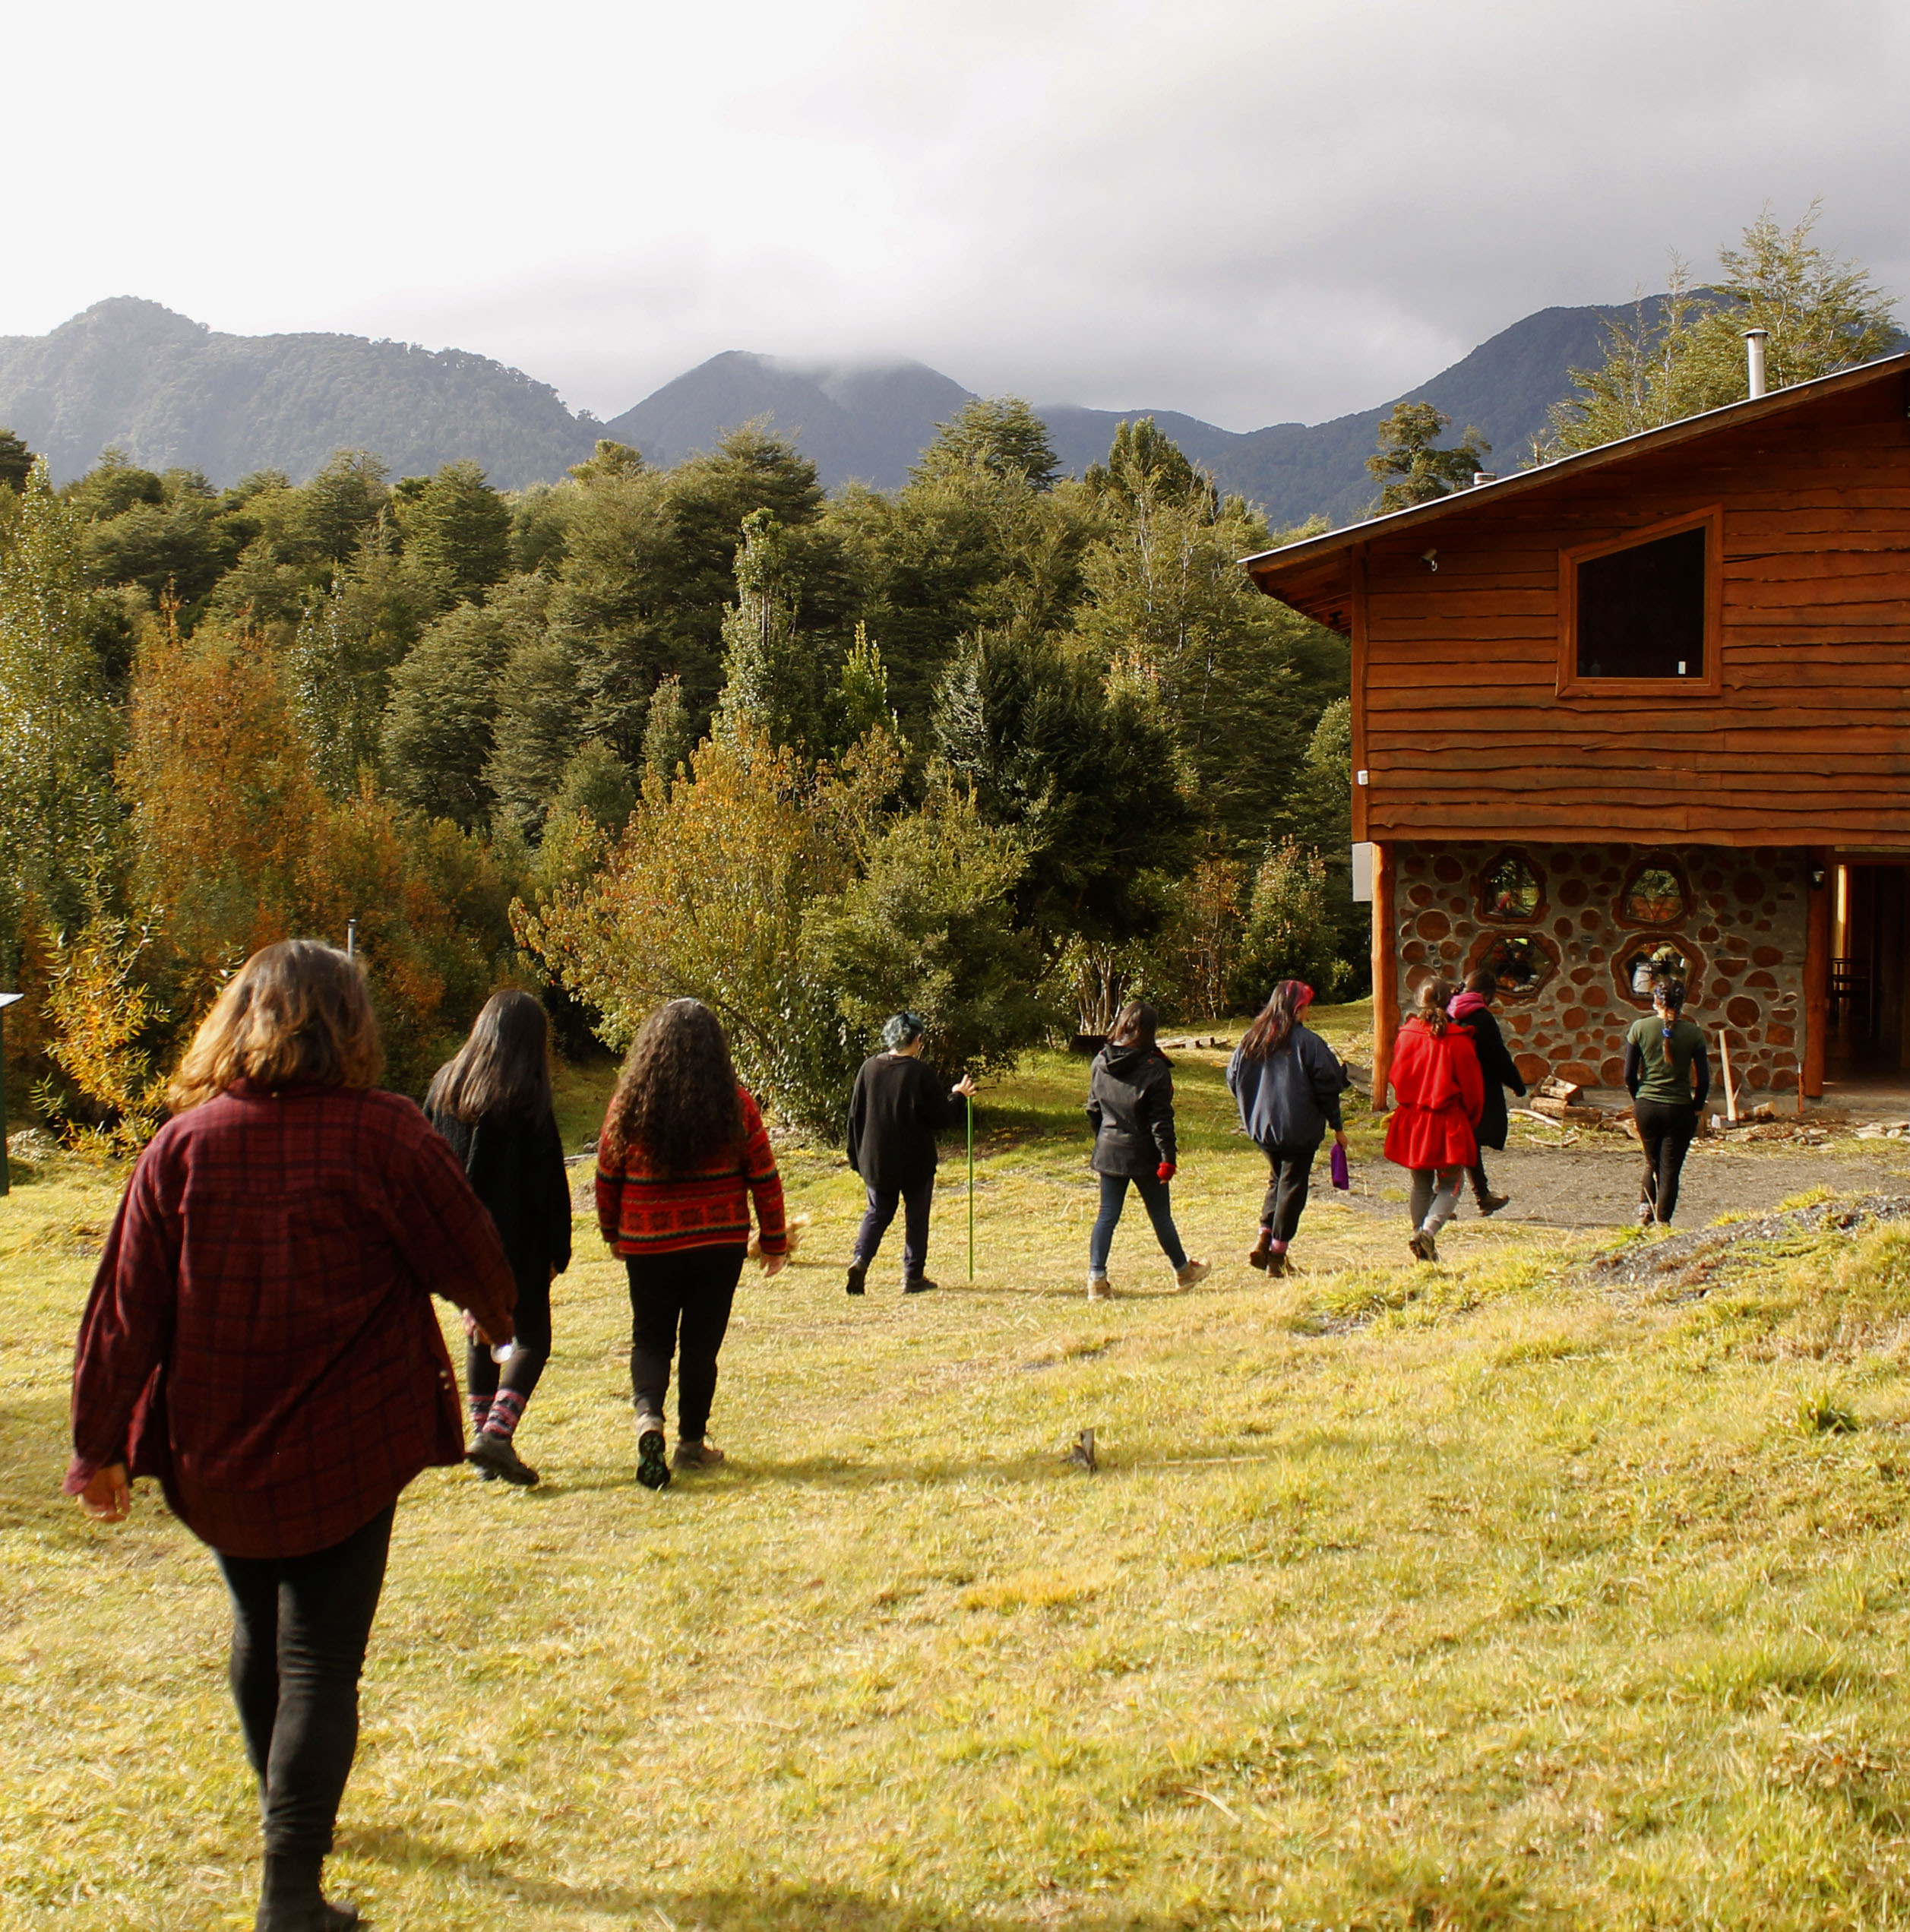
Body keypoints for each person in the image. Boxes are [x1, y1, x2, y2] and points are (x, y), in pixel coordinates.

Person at [66, 940, 515, 1932]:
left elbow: (121, 1313)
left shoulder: (180, 1146)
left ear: (240, 1018)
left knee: (258, 1630)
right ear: (351, 1023)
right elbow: (472, 1248)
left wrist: (95, 1444)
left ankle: (290, 1820)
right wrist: (494, 1309)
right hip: (350, 1446)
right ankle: (289, 1887)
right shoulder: (385, 1133)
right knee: (317, 1655)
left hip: (215, 1451)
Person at [595, 998, 787, 1489]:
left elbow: (606, 1173)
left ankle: (648, 1421)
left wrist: (612, 1231)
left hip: (648, 1241)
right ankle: (690, 1444)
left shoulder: (629, 1103)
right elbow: (764, 1174)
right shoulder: (736, 1103)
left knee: (651, 1338)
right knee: (701, 1346)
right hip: (716, 1243)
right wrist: (773, 1240)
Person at [424, 988, 572, 1488]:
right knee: (532, 1337)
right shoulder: (525, 1094)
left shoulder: (446, 1084)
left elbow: (428, 1159)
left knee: (478, 1330)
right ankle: (496, 1435)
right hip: (517, 1244)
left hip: (459, 1239)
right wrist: (557, 1248)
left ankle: (482, 1435)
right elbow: (547, 1181)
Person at [843, 1011, 977, 1296]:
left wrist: (856, 1156)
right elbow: (940, 1117)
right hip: (915, 1161)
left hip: (877, 1160)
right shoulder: (920, 1072)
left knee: (877, 1213)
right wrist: (958, 1096)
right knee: (916, 1216)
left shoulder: (868, 1068)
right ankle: (912, 1276)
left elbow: (855, 1116)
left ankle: (860, 1260)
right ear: (917, 1039)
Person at [1083, 1001, 1210, 1300]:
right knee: (1160, 1216)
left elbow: (1093, 1108)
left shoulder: (1100, 1060)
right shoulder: (1154, 1068)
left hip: (1110, 1147)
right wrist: (1168, 1158)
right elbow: (1160, 1120)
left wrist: (1103, 1138)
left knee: (1107, 1215)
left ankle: (1096, 1280)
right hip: (1144, 1153)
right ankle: (1183, 1271)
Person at [1225, 979, 1351, 1277]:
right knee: (1293, 1186)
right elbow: (1328, 1087)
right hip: (1299, 1130)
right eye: (1307, 1007)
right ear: (1298, 1008)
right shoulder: (1310, 1043)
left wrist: (1252, 1108)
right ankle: (1278, 1256)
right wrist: (1337, 1127)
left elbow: (1233, 1079)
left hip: (1262, 1130)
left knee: (1277, 1179)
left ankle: (1264, 1236)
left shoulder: (1251, 1039)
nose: (1308, 1012)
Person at [1383, 976, 1485, 1263]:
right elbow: (1473, 1089)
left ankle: (1420, 1237)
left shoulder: (1407, 1035)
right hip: (1447, 1121)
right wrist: (1471, 1120)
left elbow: (1397, 1076)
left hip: (1414, 1120)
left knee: (1420, 1184)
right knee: (1452, 1183)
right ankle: (1427, 1234)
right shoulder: (1458, 1040)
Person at [1625, 979, 1710, 1226]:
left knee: (1652, 1161)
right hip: (1679, 1109)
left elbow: (1629, 1075)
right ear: (1683, 1003)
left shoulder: (1639, 1028)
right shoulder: (1694, 1033)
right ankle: (1663, 1221)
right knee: (1670, 1168)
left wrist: (1639, 1099)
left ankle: (1645, 1212)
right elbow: (1703, 1079)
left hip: (1647, 1106)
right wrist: (1697, 1108)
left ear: (1656, 1001)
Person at [1447, 969, 1526, 1217]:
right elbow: (1497, 1056)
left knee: (1464, 1144)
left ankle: (1481, 1197)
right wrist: (1517, 1083)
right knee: (1467, 1145)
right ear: (1484, 995)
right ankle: (1456, 1201)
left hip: (1451, 1086)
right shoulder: (1482, 1018)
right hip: (1479, 1089)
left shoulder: (1447, 1014)